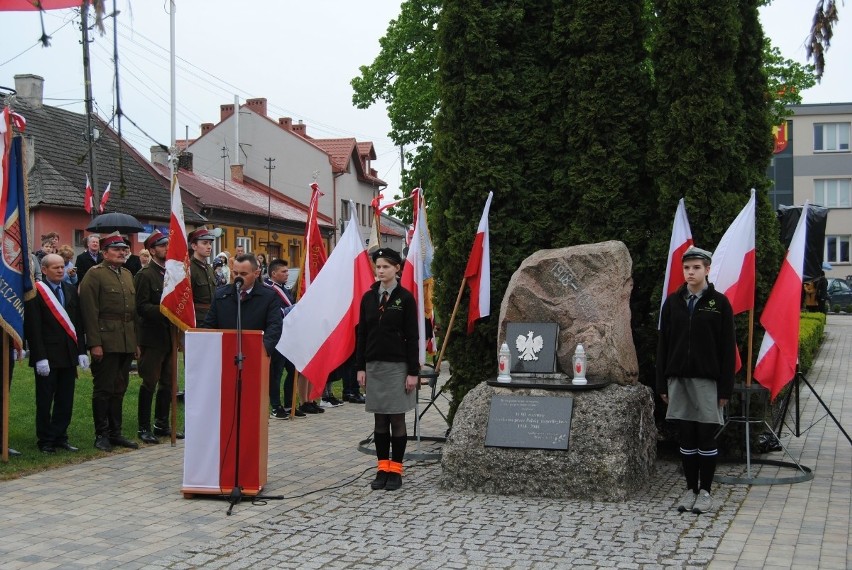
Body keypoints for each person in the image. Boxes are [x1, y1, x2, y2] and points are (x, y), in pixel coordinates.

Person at [657, 245, 735, 515]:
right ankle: (690, 489)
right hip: (678, 379)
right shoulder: (673, 302)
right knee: (686, 437)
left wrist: (725, 387)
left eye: (696, 267)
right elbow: (664, 344)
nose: (691, 272)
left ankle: (706, 492)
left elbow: (727, 349)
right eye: (687, 268)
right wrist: (662, 383)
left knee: (705, 437)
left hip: (707, 382)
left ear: (707, 269)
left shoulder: (719, 303)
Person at [356, 248, 419, 491]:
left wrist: (412, 371)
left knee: (396, 417)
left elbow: (413, 337)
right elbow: (362, 334)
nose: (380, 271)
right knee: (379, 419)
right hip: (374, 366)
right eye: (378, 267)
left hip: (397, 366)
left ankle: (396, 469)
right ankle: (382, 467)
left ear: (397, 269)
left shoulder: (405, 298)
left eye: (385, 267)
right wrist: (361, 367)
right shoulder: (368, 298)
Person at [79, 232, 140, 452]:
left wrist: (135, 343)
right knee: (104, 388)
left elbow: (132, 313)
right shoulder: (94, 275)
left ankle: (116, 432)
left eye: (124, 249)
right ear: (104, 253)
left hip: (125, 340)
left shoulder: (126, 274)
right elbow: (89, 312)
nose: (122, 252)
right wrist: (94, 343)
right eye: (116, 249)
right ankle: (101, 434)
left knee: (120, 387)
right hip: (105, 339)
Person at [24, 254, 89, 453]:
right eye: (55, 268)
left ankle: (61, 436)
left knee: (65, 398)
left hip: (68, 354)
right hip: (47, 356)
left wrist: (81, 351)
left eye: (62, 267)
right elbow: (33, 327)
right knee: (45, 400)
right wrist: (39, 356)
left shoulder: (69, 289)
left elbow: (77, 323)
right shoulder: (36, 292)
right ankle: (45, 439)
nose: (61, 270)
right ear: (44, 270)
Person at [134, 230, 182, 443]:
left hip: (170, 335)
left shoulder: (172, 273)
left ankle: (161, 423)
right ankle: (143, 427)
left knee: (169, 383)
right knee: (149, 382)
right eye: (162, 246)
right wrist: (164, 309)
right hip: (152, 336)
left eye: (167, 246)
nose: (166, 249)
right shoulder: (145, 275)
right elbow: (141, 307)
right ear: (152, 250)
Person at [202, 253, 282, 358]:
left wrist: (264, 349)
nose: (238, 278)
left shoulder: (269, 297)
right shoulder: (221, 295)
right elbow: (209, 325)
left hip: (256, 355)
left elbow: (274, 327)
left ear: (256, 273)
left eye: (243, 274)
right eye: (235, 273)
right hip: (225, 354)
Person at [264, 258, 305, 419]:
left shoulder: (284, 289)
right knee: (276, 373)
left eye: (287, 271)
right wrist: (288, 310)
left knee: (293, 369)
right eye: (284, 271)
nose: (287, 274)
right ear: (274, 274)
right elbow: (272, 312)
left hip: (289, 335)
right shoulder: (268, 289)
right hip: (277, 337)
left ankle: (289, 404)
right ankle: (275, 406)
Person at [188, 228, 218, 325]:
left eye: (210, 243)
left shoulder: (209, 269)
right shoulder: (189, 269)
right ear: (194, 246)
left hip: (212, 317)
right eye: (205, 243)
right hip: (197, 319)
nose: (209, 247)